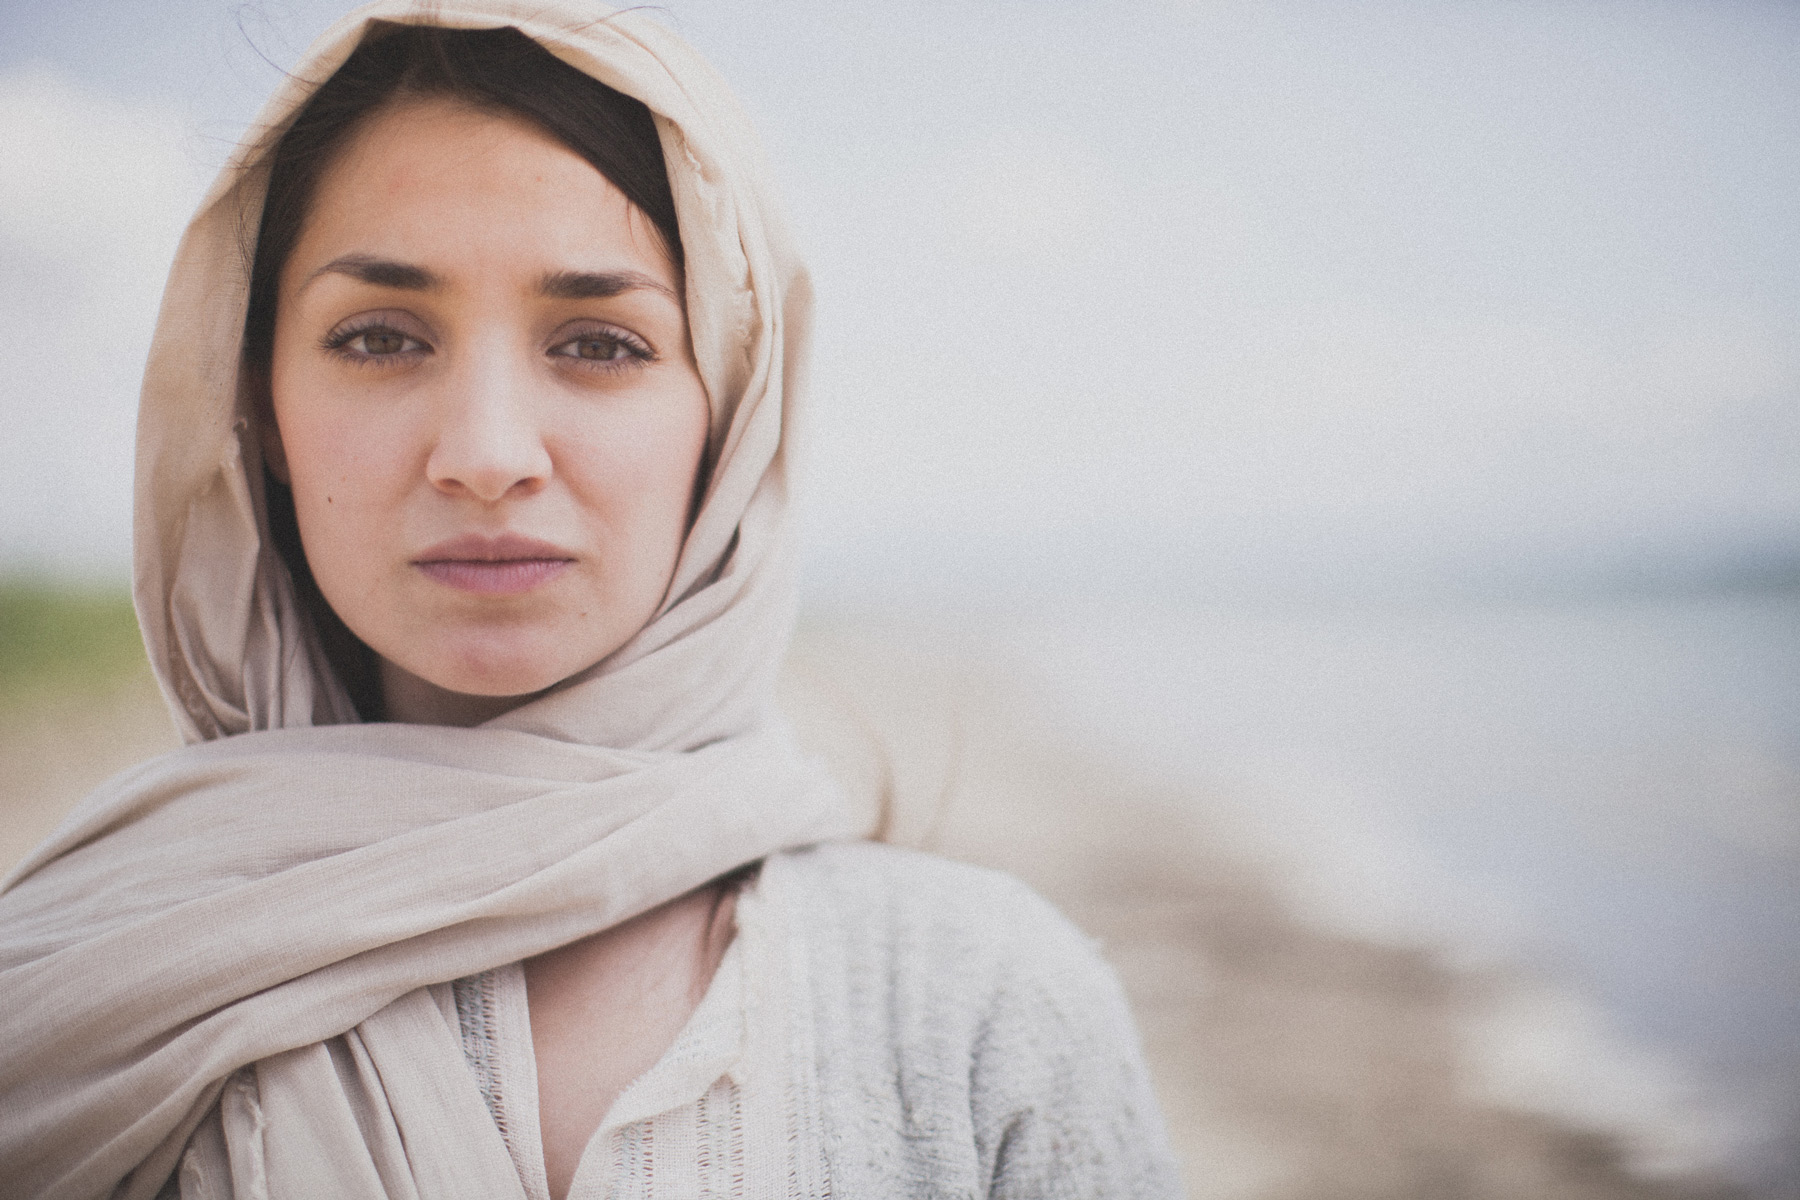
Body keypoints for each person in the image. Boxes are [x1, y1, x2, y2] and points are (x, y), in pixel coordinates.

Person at [0, 3, 1182, 1197]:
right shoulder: (66, 990)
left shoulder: (975, 1010)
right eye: (380, 338)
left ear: (729, 417)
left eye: (601, 344)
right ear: (255, 411)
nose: (488, 451)